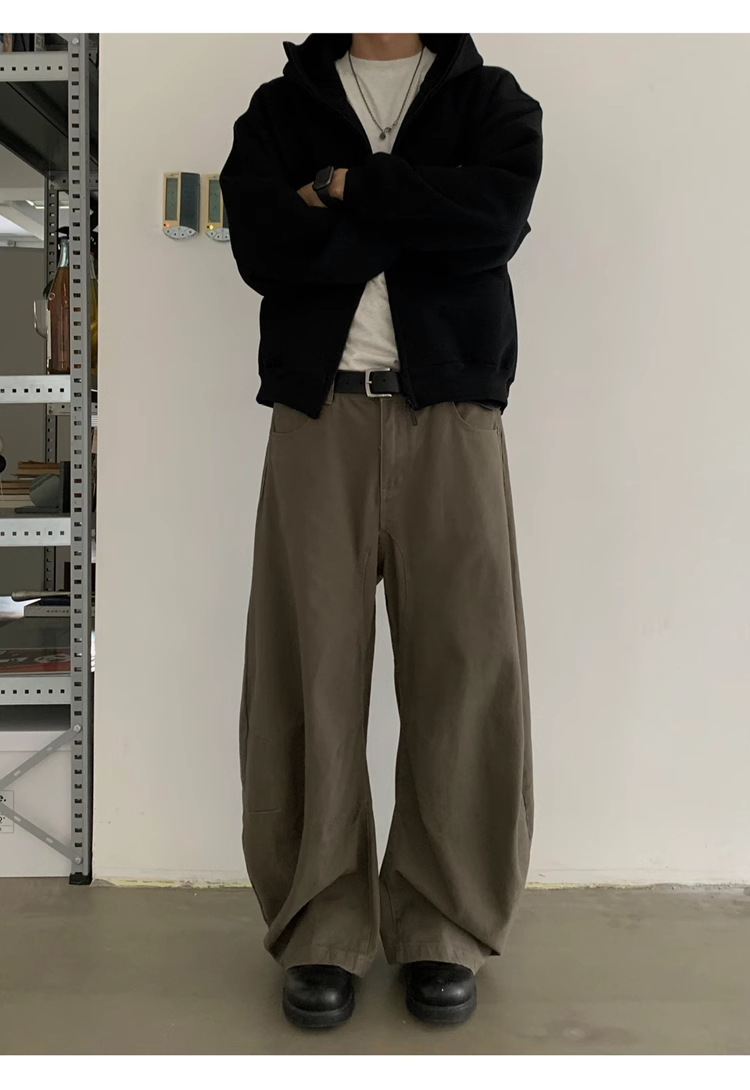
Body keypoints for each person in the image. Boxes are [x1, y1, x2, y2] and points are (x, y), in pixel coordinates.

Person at [219, 32, 543, 1030]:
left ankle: (445, 924)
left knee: (465, 669)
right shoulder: (280, 109)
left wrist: (344, 191)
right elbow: (264, 249)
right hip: (319, 416)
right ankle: (321, 926)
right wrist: (420, 209)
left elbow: (495, 221)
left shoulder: (492, 101)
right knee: (305, 672)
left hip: (456, 416)